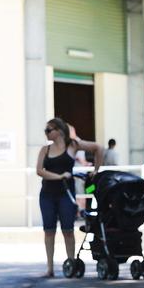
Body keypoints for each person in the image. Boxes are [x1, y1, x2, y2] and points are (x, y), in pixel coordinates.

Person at [36, 118, 103, 277]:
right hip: (47, 194)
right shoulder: (45, 150)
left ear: (58, 130)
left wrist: (96, 170)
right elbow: (39, 170)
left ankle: (71, 263)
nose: (46, 133)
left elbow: (98, 148)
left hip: (66, 194)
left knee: (68, 230)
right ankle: (50, 268)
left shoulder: (72, 145)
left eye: (48, 130)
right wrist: (59, 176)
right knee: (49, 231)